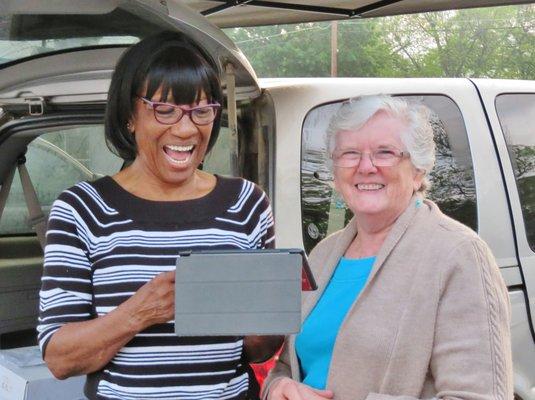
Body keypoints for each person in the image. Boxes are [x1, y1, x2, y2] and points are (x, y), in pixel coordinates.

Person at [37, 31, 281, 400]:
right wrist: (140, 313)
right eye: (164, 110)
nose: (185, 129)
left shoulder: (247, 204)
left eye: (201, 111)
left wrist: (271, 316)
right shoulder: (82, 210)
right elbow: (59, 358)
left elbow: (256, 349)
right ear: (129, 116)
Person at [262, 95, 513, 400]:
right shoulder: (323, 254)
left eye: (385, 152)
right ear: (336, 171)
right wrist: (278, 387)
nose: (366, 167)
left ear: (418, 169)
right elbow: (290, 365)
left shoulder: (459, 254)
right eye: (350, 153)